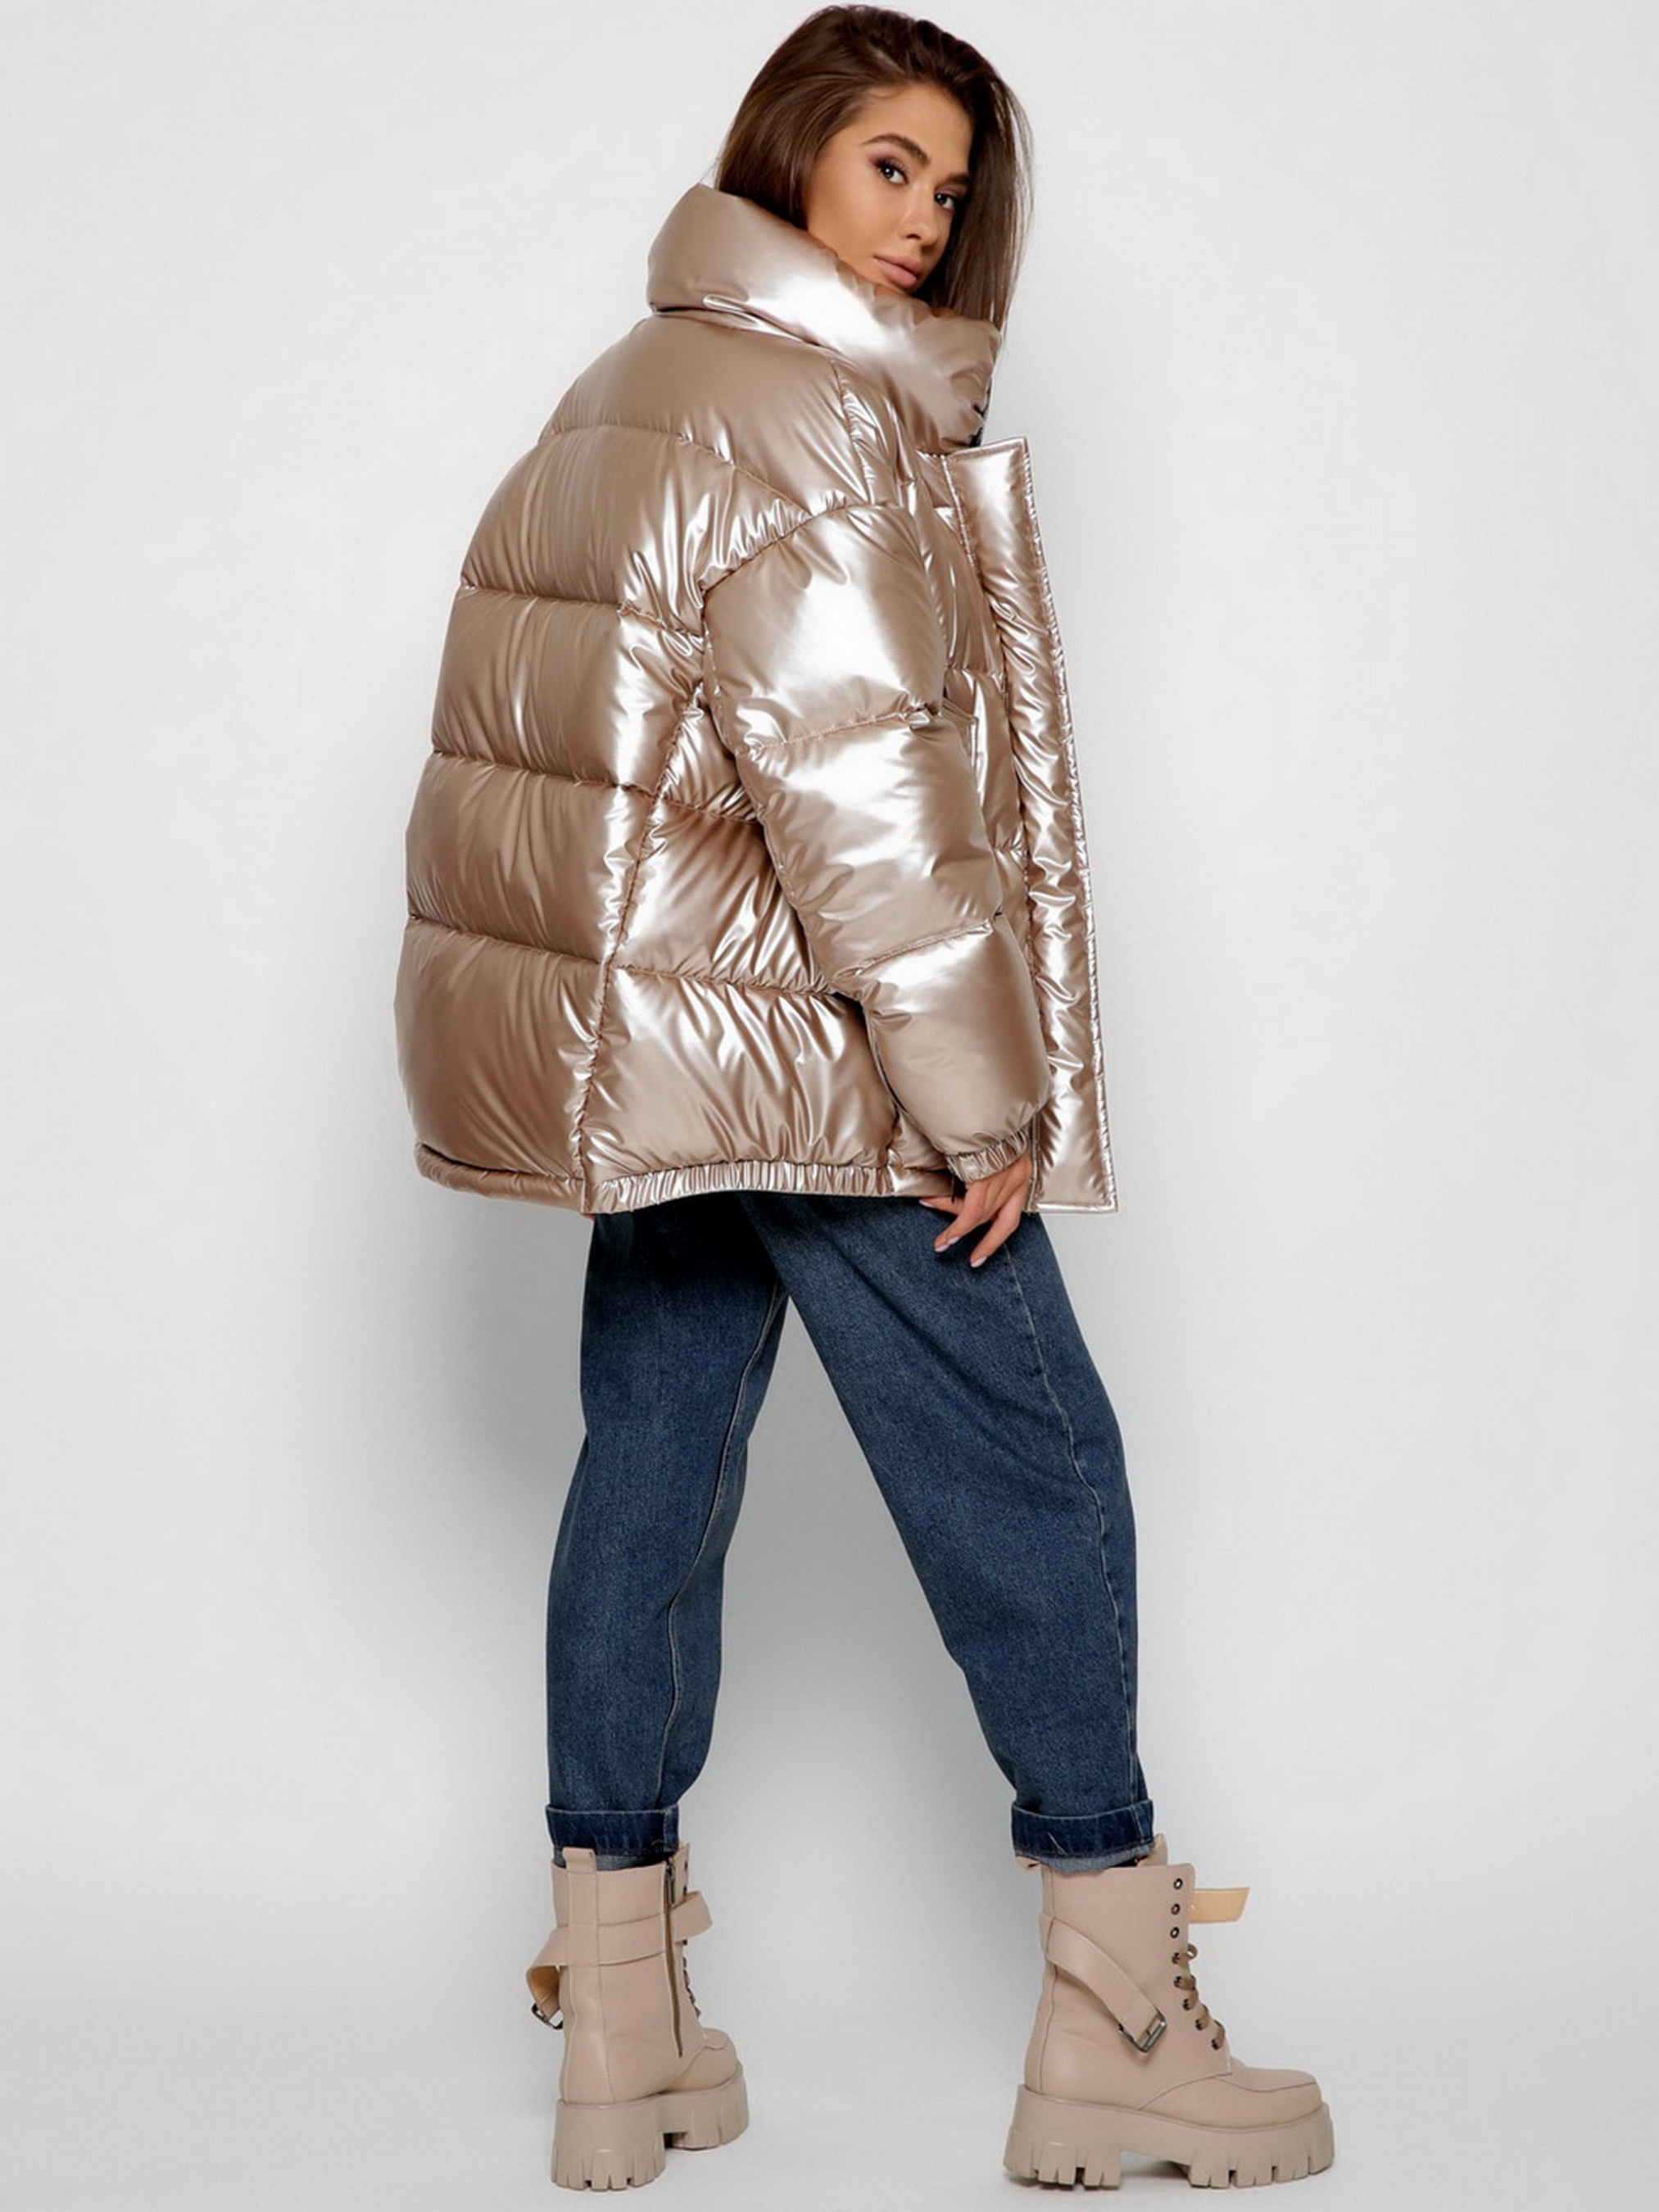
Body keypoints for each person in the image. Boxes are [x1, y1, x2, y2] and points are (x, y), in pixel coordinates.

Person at [392, 5, 1333, 2195]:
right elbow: (861, 792)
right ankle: (1116, 2013)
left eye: (952, 185)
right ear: (790, 153)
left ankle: (620, 2016)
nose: (923, 219)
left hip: (658, 1055)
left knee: (652, 1471)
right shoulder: (811, 413)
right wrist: (978, 1104)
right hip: (805, 1047)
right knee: (1036, 1463)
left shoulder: (629, 384)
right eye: (889, 164)